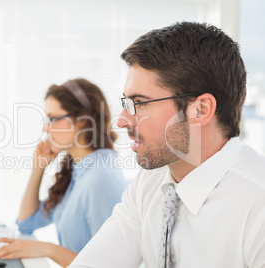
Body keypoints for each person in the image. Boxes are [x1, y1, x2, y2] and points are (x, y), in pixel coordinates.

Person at [69, 22, 265, 268]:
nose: (122, 120)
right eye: (126, 102)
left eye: (139, 102)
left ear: (200, 109)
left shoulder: (258, 205)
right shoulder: (150, 183)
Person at [0, 78, 127, 266]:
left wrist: (49, 249)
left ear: (83, 119)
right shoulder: (77, 172)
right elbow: (26, 224)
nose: (46, 128)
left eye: (53, 119)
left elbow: (111, 265)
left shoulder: (101, 179)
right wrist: (39, 167)